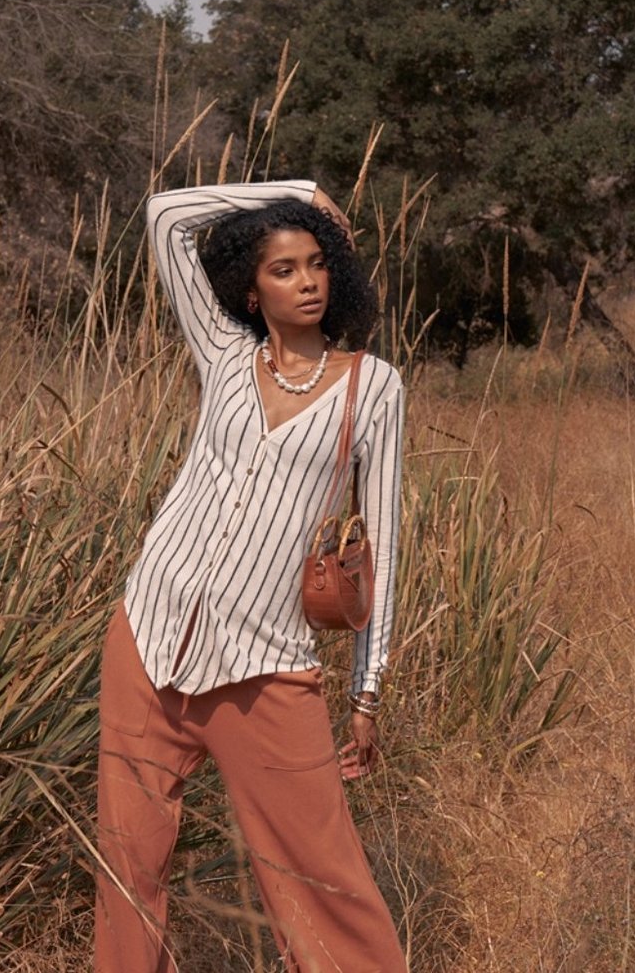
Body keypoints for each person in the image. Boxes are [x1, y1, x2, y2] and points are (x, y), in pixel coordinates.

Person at [94, 180, 408, 973]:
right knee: (129, 866)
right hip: (150, 636)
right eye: (283, 268)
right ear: (250, 286)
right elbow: (164, 213)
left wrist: (365, 692)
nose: (306, 281)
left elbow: (387, 546)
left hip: (264, 665)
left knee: (319, 878)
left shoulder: (374, 388)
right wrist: (300, 192)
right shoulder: (224, 354)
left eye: (316, 263)